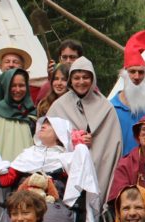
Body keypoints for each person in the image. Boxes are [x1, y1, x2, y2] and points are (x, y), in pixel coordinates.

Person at [47, 57, 124, 207]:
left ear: (92, 79)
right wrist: (74, 139)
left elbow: (112, 145)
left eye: (86, 77)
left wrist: (95, 143)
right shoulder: (59, 106)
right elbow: (48, 138)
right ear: (70, 80)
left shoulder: (106, 107)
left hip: (98, 168)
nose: (81, 82)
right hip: (66, 172)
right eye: (76, 78)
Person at [0, 68, 37, 162]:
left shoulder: (32, 114)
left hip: (26, 168)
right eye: (13, 85)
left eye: (21, 85)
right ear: (6, 87)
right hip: (1, 168)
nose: (18, 89)